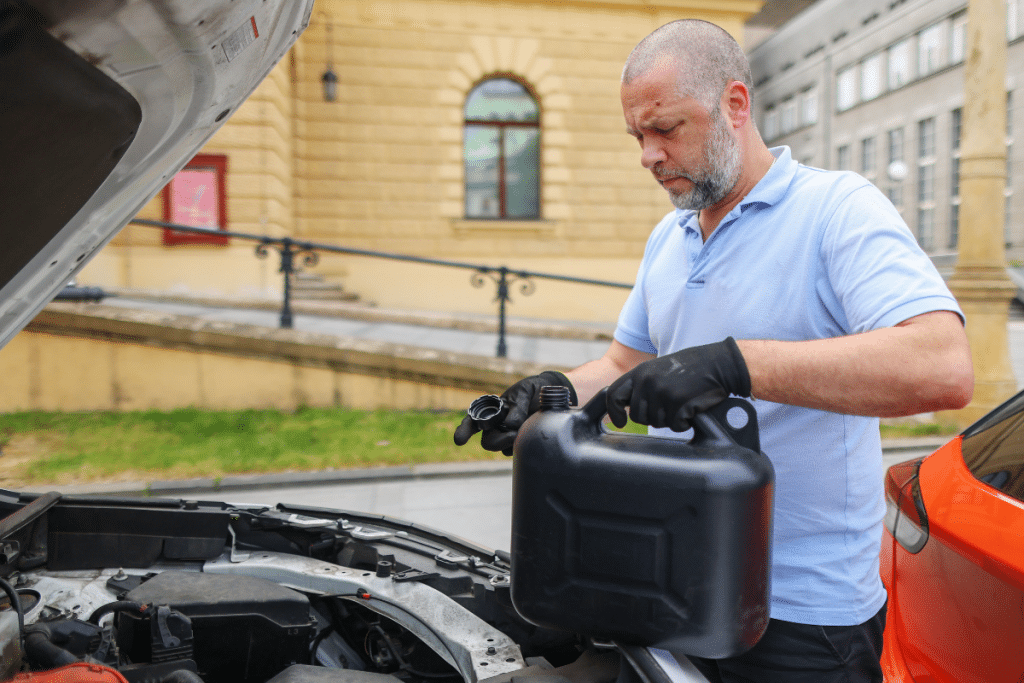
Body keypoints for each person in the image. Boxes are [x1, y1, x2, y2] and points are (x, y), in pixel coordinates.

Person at [454, 18, 973, 683]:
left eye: (665, 129)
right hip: (670, 588)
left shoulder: (837, 209)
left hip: (803, 621)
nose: (647, 154)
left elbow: (942, 365)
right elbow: (624, 367)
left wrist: (735, 364)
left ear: (735, 104)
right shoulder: (668, 239)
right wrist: (547, 391)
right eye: (637, 136)